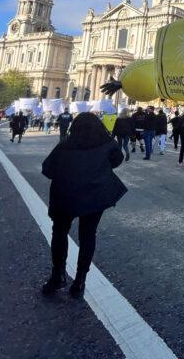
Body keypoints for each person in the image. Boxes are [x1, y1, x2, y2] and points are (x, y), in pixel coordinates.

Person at [40, 112, 128, 297]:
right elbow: (117, 161)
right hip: (95, 195)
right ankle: (80, 281)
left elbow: (47, 170)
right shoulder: (108, 145)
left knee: (59, 232)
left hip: (65, 195)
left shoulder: (64, 146)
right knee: (88, 235)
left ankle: (58, 276)